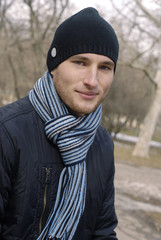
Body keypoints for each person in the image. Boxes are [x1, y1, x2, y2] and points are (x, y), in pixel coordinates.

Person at [0, 7, 119, 240]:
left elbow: (103, 232)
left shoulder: (102, 141)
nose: (92, 81)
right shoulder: (7, 131)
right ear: (53, 67)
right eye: (80, 62)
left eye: (105, 67)